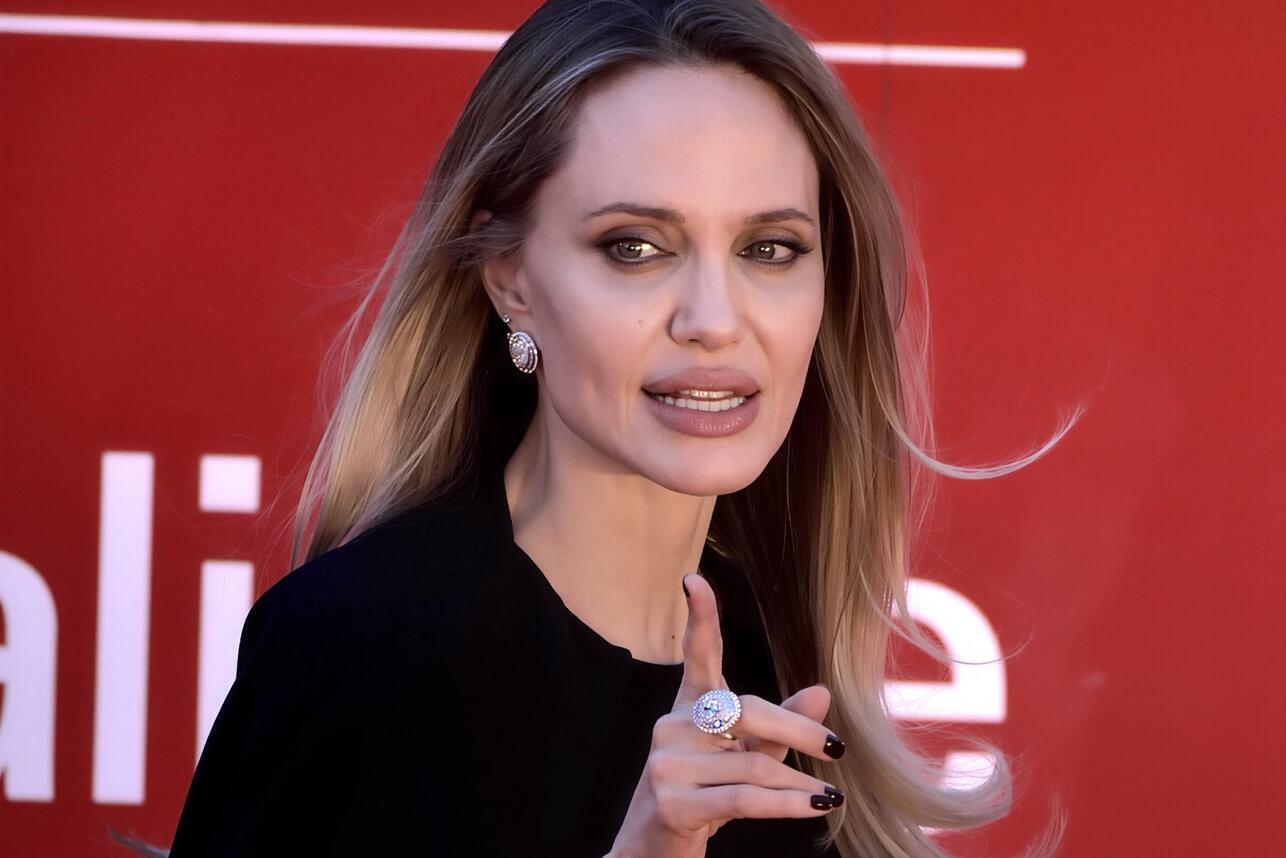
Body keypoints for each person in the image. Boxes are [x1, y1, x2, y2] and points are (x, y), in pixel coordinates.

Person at [117, 0, 1076, 855]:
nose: (714, 320)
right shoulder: (360, 646)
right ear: (509, 280)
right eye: (635, 247)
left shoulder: (779, 672)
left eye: (769, 248)